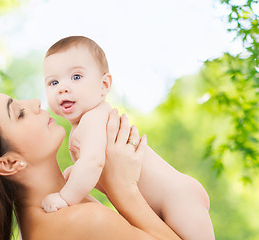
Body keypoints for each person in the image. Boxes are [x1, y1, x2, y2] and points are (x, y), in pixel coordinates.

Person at [42, 36, 215, 239]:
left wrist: (65, 197)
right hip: (166, 201)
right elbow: (96, 165)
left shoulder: (93, 118)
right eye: (53, 82)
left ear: (104, 85)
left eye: (76, 77)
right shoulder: (86, 124)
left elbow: (93, 162)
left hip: (178, 199)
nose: (63, 87)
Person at [0, 91, 182, 240]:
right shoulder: (84, 220)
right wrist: (122, 189)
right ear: (9, 163)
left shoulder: (49, 218)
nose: (34, 103)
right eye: (19, 113)